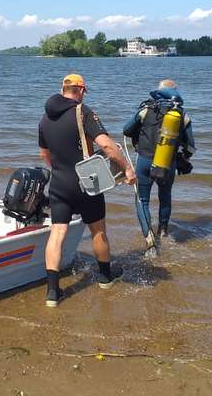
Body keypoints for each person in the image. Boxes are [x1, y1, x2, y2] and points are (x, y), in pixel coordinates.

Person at [38, 73, 136, 307]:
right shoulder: (83, 112)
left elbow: (44, 154)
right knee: (98, 231)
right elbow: (105, 144)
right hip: (86, 183)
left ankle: (53, 292)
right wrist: (127, 168)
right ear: (80, 90)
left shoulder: (44, 119)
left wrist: (61, 172)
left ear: (63, 89)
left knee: (57, 234)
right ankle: (105, 277)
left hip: (59, 183)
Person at [123, 79, 195, 240]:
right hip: (167, 163)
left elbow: (126, 130)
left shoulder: (146, 109)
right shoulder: (181, 114)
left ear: (159, 91)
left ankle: (149, 239)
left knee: (142, 200)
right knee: (165, 197)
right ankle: (163, 231)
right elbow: (190, 146)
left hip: (144, 161)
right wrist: (182, 158)